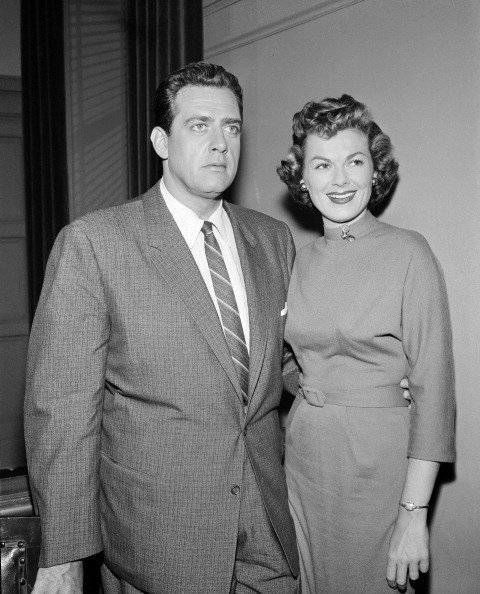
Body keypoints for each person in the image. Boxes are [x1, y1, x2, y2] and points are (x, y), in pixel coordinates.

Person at [24, 62, 300, 593]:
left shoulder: (273, 240)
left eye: (232, 127)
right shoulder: (96, 244)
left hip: (269, 535)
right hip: (157, 547)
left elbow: (285, 365)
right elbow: (60, 412)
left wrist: (366, 382)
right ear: (161, 140)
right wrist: (62, 556)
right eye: (200, 125)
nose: (221, 143)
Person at [277, 94, 455, 593]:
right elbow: (286, 362)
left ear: (375, 172)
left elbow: (434, 395)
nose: (340, 180)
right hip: (306, 461)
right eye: (322, 165)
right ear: (302, 180)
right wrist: (317, 386)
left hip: (381, 467)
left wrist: (413, 515)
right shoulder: (294, 261)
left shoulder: (408, 253)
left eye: (354, 162)